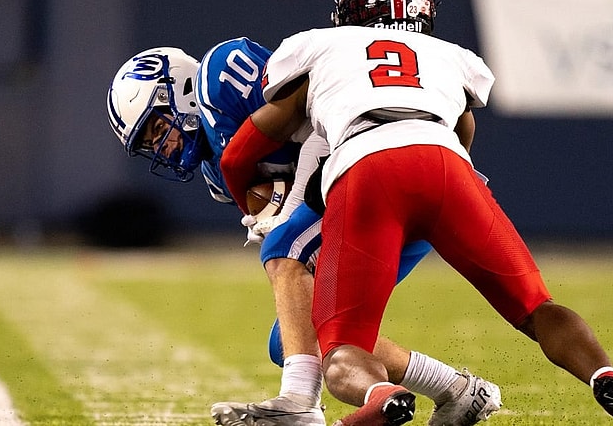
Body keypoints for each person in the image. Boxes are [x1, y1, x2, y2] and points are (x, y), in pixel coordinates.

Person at [218, 0, 613, 425]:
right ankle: (606, 378)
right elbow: (462, 136)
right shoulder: (450, 56)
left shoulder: (319, 46)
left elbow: (240, 155)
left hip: (366, 171)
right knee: (536, 307)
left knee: (343, 347)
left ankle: (381, 396)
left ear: (348, 13)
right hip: (448, 168)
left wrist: (256, 206)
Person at [107, 43, 501, 425]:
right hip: (360, 211)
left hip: (388, 179)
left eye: (158, 127)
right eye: (148, 143)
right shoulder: (216, 175)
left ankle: (299, 403)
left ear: (180, 89)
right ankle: (457, 390)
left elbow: (323, 114)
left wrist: (290, 206)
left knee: (287, 260)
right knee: (294, 338)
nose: (163, 145)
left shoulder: (223, 75)